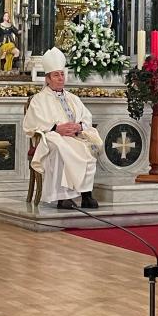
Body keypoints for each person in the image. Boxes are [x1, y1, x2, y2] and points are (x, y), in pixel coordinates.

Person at [23, 48, 101, 210]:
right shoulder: (38, 100)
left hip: (75, 136)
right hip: (52, 136)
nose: (60, 78)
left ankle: (86, 194)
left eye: (62, 74)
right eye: (56, 75)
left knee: (89, 147)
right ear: (48, 79)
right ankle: (62, 197)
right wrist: (56, 128)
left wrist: (79, 126)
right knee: (60, 148)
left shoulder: (73, 98)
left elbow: (87, 117)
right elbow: (32, 124)